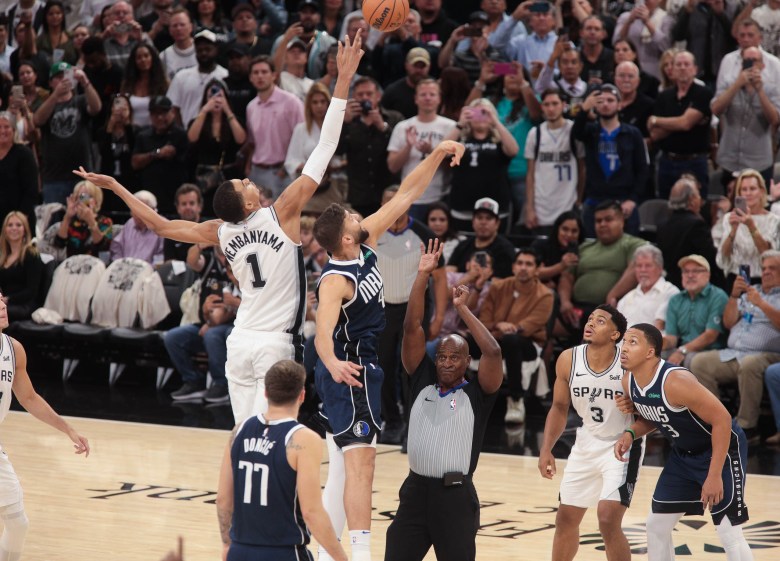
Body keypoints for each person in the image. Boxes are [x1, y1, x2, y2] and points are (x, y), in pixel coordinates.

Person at [76, 30, 366, 426]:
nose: (249, 181)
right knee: (275, 438)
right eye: (243, 184)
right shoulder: (281, 212)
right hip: (274, 343)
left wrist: (114, 186)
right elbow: (325, 146)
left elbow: (160, 225)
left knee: (243, 437)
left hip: (239, 341)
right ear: (247, 203)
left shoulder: (220, 231)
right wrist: (344, 79)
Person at [312, 139, 464, 561]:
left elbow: (407, 194)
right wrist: (332, 363)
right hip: (350, 373)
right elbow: (321, 331)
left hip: (360, 370)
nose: (361, 215)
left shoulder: (367, 239)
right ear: (345, 235)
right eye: (353, 216)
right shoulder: (334, 279)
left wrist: (435, 155)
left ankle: (326, 556)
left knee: (342, 472)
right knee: (363, 469)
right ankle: (359, 556)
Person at [383, 240, 502, 561]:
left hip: (456, 497)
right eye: (443, 357)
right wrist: (423, 274)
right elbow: (411, 327)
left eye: (455, 357)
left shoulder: (479, 393)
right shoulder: (420, 380)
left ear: (466, 362)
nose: (447, 362)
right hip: (414, 494)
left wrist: (462, 309)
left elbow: (492, 352)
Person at [615, 323, 753, 561]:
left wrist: (714, 475)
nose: (624, 348)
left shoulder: (675, 381)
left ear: (650, 352)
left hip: (721, 449)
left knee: (728, 530)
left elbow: (722, 419)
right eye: (624, 342)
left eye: (632, 342)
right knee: (656, 525)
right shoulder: (628, 381)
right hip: (683, 455)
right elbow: (656, 415)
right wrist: (631, 432)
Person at [215, 359, 348, 561]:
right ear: (302, 395)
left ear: (266, 393)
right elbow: (311, 511)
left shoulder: (239, 431)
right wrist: (341, 557)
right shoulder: (304, 439)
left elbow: (223, 500)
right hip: (283, 552)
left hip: (240, 550)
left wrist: (227, 544)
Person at [539, 304, 643, 561]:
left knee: (607, 520)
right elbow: (560, 407)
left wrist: (635, 405)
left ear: (615, 335)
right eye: (590, 319)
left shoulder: (629, 362)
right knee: (565, 519)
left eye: (600, 321)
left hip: (622, 445)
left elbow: (652, 410)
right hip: (587, 441)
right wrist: (546, 449)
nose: (591, 323)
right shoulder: (568, 359)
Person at [0, 295, 89, 561]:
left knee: (18, 523)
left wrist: (68, 429)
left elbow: (28, 398)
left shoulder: (13, 349)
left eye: (2, 301)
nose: (3, 306)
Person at [689, 250, 780, 442]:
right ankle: (715, 421)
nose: (766, 272)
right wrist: (734, 296)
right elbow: (729, 323)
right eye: (763, 268)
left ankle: (748, 427)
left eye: (772, 268)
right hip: (735, 353)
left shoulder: (764, 297)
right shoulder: (750, 292)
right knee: (700, 362)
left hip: (768, 355)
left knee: (750, 364)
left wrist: (762, 304)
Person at [479, 248, 553, 424]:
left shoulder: (545, 295)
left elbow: (527, 328)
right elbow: (483, 320)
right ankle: (461, 398)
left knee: (512, 340)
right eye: (520, 263)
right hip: (495, 338)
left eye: (529, 264)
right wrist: (498, 325)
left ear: (537, 269)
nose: (523, 268)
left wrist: (503, 328)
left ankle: (516, 400)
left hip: (527, 345)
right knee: (464, 341)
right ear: (513, 267)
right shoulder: (498, 287)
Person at [573, 84, 648, 236]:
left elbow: (642, 169)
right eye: (600, 101)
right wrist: (584, 109)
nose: (605, 104)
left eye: (610, 100)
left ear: (619, 105)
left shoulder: (633, 134)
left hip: (623, 201)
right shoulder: (590, 131)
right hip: (595, 200)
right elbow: (576, 132)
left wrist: (633, 200)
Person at [165, 244, 236, 403]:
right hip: (207, 321)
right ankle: (193, 380)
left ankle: (221, 384)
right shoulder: (209, 260)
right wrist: (202, 242)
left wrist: (211, 324)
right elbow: (191, 260)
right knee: (172, 337)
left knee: (213, 334)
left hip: (232, 323)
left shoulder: (241, 260)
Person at [386, 78, 455, 222]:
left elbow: (454, 166)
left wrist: (432, 151)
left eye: (432, 94)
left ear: (439, 98)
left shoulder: (451, 127)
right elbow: (392, 166)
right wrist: (408, 146)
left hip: (440, 197)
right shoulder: (402, 127)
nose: (428, 98)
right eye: (423, 95)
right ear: (416, 99)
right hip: (409, 198)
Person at [445, 97, 519, 230]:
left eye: (484, 113)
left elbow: (513, 150)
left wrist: (495, 122)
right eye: (476, 113)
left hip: (495, 207)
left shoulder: (498, 141)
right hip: (463, 205)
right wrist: (460, 124)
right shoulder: (461, 140)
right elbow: (443, 152)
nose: (480, 118)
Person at [34, 61, 102, 204]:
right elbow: (38, 120)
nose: (63, 80)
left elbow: (96, 108)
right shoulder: (46, 104)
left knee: (84, 216)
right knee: (53, 221)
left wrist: (85, 82)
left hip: (82, 176)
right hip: (54, 178)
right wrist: (55, 95)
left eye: (66, 76)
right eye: (58, 77)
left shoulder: (81, 101)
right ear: (51, 82)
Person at [649, 51, 714, 199]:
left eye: (687, 64)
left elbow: (685, 124)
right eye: (679, 64)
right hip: (667, 161)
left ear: (695, 69)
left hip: (694, 162)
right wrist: (679, 122)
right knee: (666, 206)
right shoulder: (664, 96)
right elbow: (655, 134)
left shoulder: (703, 93)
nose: (683, 68)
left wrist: (656, 120)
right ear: (672, 69)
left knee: (696, 204)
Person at [337, 76, 403, 218]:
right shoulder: (347, 121)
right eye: (360, 95)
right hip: (359, 196)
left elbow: (402, 148)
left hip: (388, 192)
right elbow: (338, 151)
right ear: (354, 97)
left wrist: (383, 127)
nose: (365, 98)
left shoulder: (394, 118)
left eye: (369, 94)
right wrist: (345, 123)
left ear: (378, 96)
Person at [524, 89, 585, 234]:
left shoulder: (574, 131)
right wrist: (530, 207)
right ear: (542, 107)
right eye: (546, 104)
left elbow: (582, 169)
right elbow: (530, 174)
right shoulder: (535, 133)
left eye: (555, 104)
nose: (551, 109)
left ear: (563, 105)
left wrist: (579, 200)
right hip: (542, 205)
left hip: (567, 202)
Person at [244, 54, 304, 198]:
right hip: (257, 171)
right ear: (250, 78)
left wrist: (286, 167)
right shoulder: (251, 107)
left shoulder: (292, 102)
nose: (260, 76)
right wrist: (248, 166)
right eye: (256, 73)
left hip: (283, 172)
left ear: (274, 75)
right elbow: (253, 142)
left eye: (264, 72)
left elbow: (302, 138)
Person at [187, 78, 246, 216]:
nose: (216, 99)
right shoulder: (199, 120)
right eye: (211, 96)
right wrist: (204, 110)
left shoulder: (233, 120)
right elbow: (192, 137)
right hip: (205, 179)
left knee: (231, 212)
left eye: (219, 95)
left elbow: (241, 139)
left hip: (229, 175)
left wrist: (227, 110)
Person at [662, 254, 729, 369]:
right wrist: (655, 345)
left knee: (690, 360)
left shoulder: (718, 296)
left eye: (696, 271)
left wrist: (683, 350)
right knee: (653, 357)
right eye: (686, 271)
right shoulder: (676, 300)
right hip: (682, 349)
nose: (690, 275)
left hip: (711, 351)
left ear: (708, 274)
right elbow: (672, 338)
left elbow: (710, 336)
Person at [715, 168, 778, 285]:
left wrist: (751, 226)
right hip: (736, 277)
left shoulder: (774, 220)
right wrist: (733, 231)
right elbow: (723, 256)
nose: (748, 193)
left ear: (761, 191)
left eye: (752, 189)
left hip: (762, 279)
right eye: (744, 189)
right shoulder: (730, 218)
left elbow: (768, 255)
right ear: (739, 193)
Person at [131, 95, 189, 215]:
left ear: (172, 112)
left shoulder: (181, 135)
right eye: (156, 114)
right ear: (150, 115)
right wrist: (157, 153)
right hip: (148, 197)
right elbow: (135, 162)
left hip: (174, 199)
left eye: (164, 113)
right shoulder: (143, 135)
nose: (160, 117)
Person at [166, 29, 228, 127]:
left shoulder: (225, 76)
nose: (203, 53)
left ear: (216, 50)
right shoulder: (181, 76)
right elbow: (174, 108)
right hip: (187, 134)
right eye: (200, 50)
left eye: (207, 49)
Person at [447, 197, 517, 279]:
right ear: (473, 221)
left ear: (497, 223)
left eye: (488, 218)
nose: (483, 222)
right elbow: (448, 274)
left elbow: (506, 281)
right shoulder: (463, 246)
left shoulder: (506, 249)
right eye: (479, 218)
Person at [616, 245, 679, 329]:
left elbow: (659, 327)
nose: (643, 270)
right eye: (639, 266)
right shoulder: (627, 298)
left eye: (648, 265)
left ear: (660, 268)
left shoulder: (670, 292)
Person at [0, 211, 44, 323]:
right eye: (10, 225)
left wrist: (8, 299)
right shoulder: (3, 257)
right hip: (5, 304)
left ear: (25, 229)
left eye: (18, 225)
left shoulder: (32, 255)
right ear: (5, 230)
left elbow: (31, 290)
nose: (14, 228)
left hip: (25, 305)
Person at [0, 112, 38, 234]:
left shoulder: (24, 154)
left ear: (14, 130)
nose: (2, 131)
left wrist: (17, 220)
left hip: (20, 222)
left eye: (6, 127)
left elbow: (31, 190)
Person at [54, 180, 113, 258]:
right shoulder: (71, 221)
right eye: (80, 197)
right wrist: (67, 217)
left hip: (95, 264)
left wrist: (90, 221)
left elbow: (103, 248)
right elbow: (59, 244)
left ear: (96, 200)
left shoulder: (105, 221)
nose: (84, 201)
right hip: (72, 264)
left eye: (88, 196)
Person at [120, 43, 169, 128]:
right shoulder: (127, 84)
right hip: (132, 131)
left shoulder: (164, 83)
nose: (143, 60)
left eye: (146, 56)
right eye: (139, 57)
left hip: (156, 131)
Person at [108, 190, 165, 264]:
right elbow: (117, 247)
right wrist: (119, 263)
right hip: (124, 269)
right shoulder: (130, 223)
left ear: (153, 210)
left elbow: (161, 257)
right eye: (133, 209)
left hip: (149, 272)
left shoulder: (162, 226)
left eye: (140, 210)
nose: (136, 214)